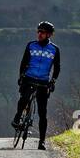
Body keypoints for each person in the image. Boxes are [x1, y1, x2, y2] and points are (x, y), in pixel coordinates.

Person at [12, 21, 60, 151]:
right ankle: (18, 117)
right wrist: (21, 76)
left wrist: (53, 81)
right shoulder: (31, 45)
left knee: (42, 112)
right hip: (29, 78)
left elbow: (57, 68)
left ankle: (42, 141)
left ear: (49, 34)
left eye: (42, 32)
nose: (39, 34)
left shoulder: (55, 50)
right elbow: (23, 62)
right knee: (24, 98)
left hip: (43, 82)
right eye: (38, 31)